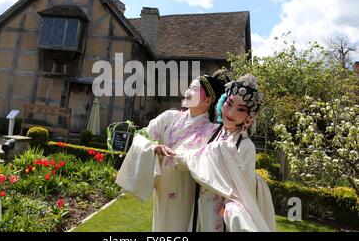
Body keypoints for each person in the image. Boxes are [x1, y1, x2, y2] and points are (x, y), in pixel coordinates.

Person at [116, 74, 229, 231]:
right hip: (163, 191)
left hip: (188, 193)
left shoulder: (214, 132)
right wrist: (153, 147)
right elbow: (141, 137)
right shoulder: (169, 117)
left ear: (208, 101)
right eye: (189, 87)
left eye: (194, 89)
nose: (187, 92)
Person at [174, 74, 276, 232]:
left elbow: (243, 190)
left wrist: (230, 210)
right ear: (222, 102)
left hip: (223, 211)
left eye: (241, 109)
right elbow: (190, 155)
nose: (231, 112)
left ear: (249, 117)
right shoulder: (211, 131)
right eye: (229, 103)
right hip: (200, 203)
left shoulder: (246, 146)